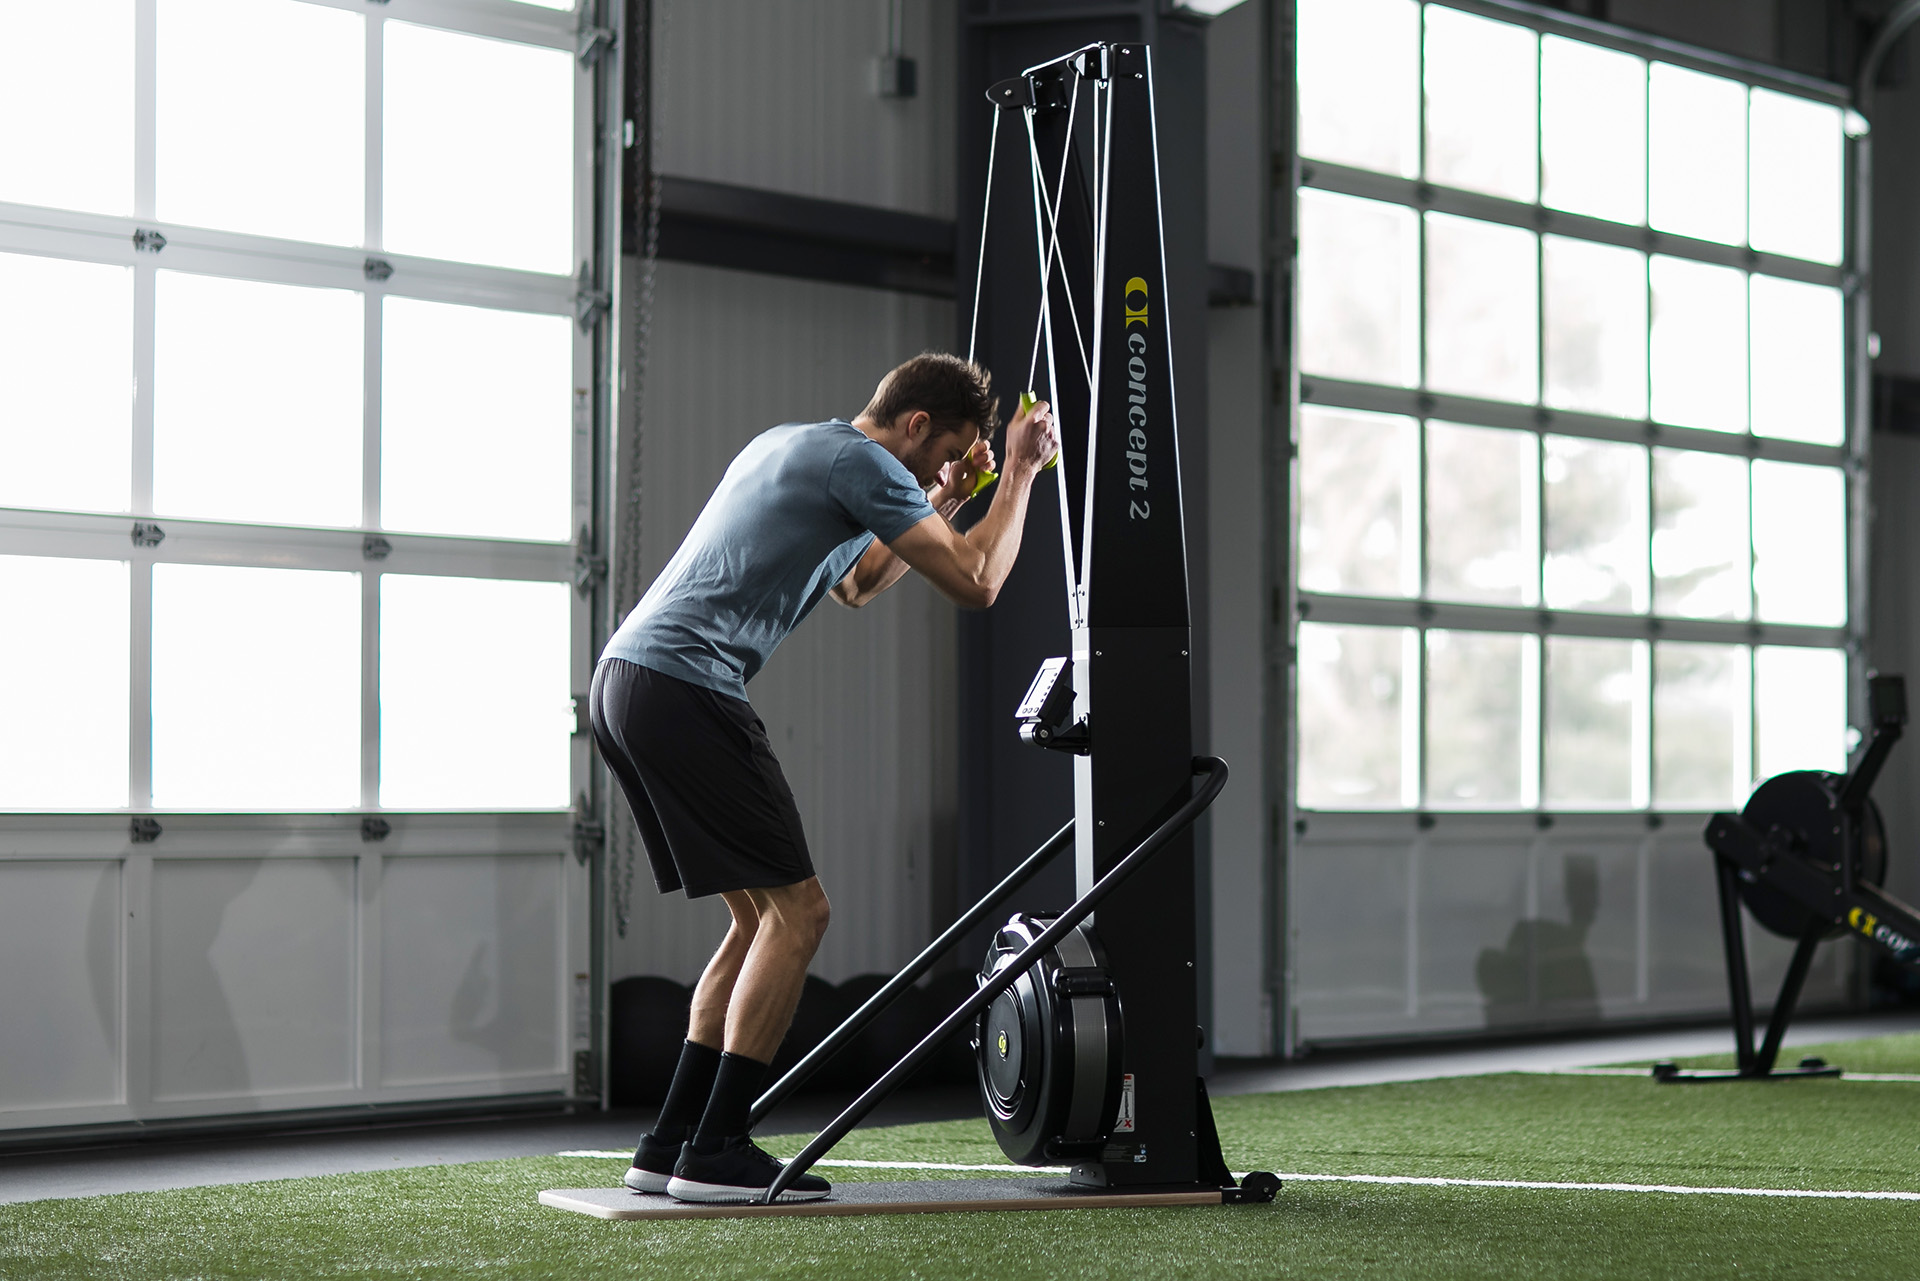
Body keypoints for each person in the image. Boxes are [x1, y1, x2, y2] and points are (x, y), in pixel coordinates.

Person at [590, 352, 1059, 1203]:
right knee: (802, 914)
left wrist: (950, 495)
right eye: (941, 451)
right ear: (916, 426)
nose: (931, 471)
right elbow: (979, 581)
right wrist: (1021, 470)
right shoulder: (866, 463)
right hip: (686, 684)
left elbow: (861, 580)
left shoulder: (803, 445)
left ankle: (669, 1143)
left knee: (755, 921)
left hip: (627, 681)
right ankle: (719, 1150)